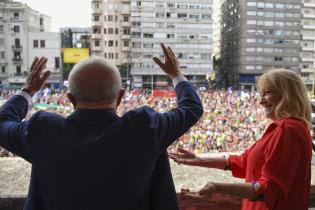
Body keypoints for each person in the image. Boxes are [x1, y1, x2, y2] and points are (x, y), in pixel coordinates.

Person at [0, 43, 203, 210]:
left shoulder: (43, 131)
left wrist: (28, 90)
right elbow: (192, 107)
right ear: (121, 96)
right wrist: (176, 75)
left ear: (71, 99)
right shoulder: (145, 128)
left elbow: (2, 123)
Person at [170, 69, 312, 210]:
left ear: (288, 94)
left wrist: (217, 188)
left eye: (268, 92)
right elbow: (244, 162)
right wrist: (199, 160)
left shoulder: (288, 130)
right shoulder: (283, 129)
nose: (261, 101)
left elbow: (269, 188)